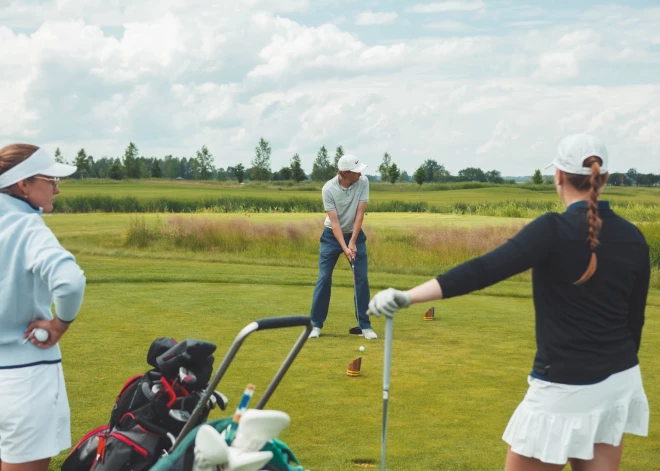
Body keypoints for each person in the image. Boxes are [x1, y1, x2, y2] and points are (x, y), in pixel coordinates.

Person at [368, 134, 650, 471]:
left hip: (563, 384)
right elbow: (634, 322)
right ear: (603, 178)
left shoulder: (552, 228)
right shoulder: (633, 236)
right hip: (620, 380)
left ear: (558, 176)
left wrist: (408, 296)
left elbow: (483, 270)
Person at [0, 144, 86, 471]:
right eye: (49, 179)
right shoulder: (27, 227)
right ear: (23, 185)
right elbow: (70, 281)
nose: (57, 188)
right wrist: (59, 324)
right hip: (25, 380)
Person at [309, 154, 377, 340]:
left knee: (361, 279)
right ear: (344, 173)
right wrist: (345, 247)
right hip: (331, 236)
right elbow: (335, 222)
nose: (361, 173)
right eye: (356, 171)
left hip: (355, 235)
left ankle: (365, 325)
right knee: (324, 278)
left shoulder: (363, 182)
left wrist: (353, 242)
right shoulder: (328, 189)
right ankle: (315, 325)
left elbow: (360, 215)